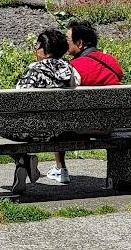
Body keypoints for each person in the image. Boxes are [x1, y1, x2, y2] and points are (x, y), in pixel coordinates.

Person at [47, 20, 124, 184]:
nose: (64, 43)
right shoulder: (112, 62)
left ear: (80, 43)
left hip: (80, 127)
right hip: (109, 125)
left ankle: (60, 168)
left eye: (67, 40)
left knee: (58, 115)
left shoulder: (72, 67)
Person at [11, 28, 81, 193]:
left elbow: (18, 100)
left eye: (37, 46)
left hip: (34, 131)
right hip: (64, 130)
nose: (36, 50)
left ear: (45, 50)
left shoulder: (34, 71)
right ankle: (23, 161)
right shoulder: (71, 71)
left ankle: (22, 159)